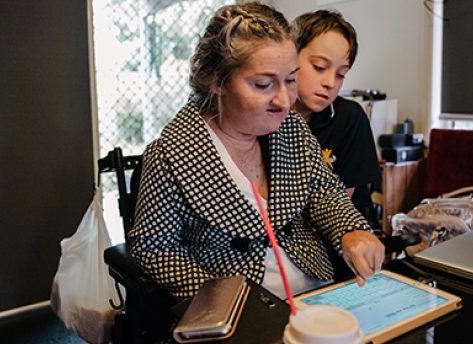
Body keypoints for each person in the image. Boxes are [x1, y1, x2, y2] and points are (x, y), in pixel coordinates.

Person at [129, 2, 384, 300]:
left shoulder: (290, 128)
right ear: (217, 81)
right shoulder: (170, 156)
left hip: (316, 291)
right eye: (263, 84)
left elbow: (322, 189)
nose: (284, 101)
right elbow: (154, 248)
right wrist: (221, 300)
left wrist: (349, 229)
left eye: (290, 80)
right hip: (239, 309)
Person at [291, 10, 381, 228]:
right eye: (320, 68)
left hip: (339, 235)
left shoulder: (349, 118)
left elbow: (334, 210)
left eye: (341, 74)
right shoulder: (268, 118)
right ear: (290, 56)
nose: (330, 82)